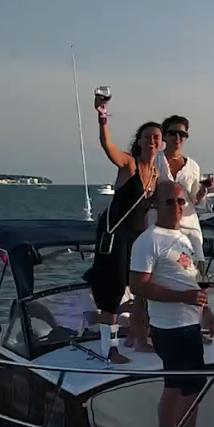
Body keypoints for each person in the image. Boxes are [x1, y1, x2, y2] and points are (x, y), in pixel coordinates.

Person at [129, 182, 212, 427]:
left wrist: (208, 312)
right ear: (155, 204)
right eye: (169, 201)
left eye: (180, 201)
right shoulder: (148, 241)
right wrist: (183, 297)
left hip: (189, 325)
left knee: (175, 387)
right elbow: (138, 285)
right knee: (190, 390)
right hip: (172, 328)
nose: (176, 206)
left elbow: (197, 276)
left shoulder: (185, 237)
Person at [84, 100, 163, 363]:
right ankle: (109, 349)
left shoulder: (155, 174)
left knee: (140, 286)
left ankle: (139, 338)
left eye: (156, 137)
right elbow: (109, 147)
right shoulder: (129, 165)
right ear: (139, 141)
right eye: (147, 136)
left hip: (137, 237)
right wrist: (103, 118)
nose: (152, 140)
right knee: (113, 290)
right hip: (115, 235)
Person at [159, 115, 214, 252]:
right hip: (159, 225)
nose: (178, 137)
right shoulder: (155, 160)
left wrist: (203, 188)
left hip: (188, 226)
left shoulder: (193, 166)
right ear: (164, 136)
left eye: (182, 134)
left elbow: (196, 200)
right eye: (173, 133)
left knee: (194, 263)